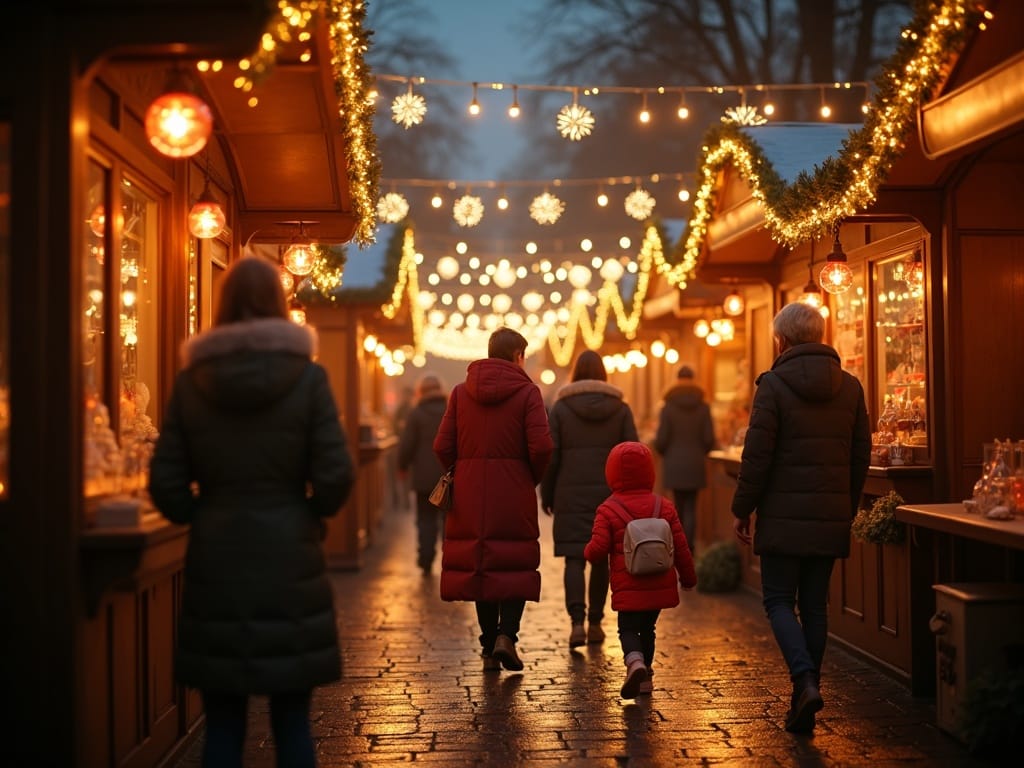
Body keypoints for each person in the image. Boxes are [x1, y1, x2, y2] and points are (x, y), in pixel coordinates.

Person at [148, 256, 354, 768]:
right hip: (290, 559)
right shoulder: (308, 380)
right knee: (292, 721)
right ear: (280, 306)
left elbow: (165, 482)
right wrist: (308, 513)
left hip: (217, 558)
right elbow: (335, 474)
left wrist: (203, 513)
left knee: (222, 722)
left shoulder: (193, 382)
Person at [731, 301, 870, 734]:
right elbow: (860, 454)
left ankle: (804, 680)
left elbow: (757, 455)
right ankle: (803, 699)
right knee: (814, 606)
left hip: (783, 516)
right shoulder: (850, 386)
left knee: (776, 601)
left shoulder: (772, 385)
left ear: (783, 340)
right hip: (828, 514)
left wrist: (742, 508)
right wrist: (843, 505)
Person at [433, 327, 553, 672]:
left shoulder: (460, 393)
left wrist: (463, 470)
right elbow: (542, 446)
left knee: (479, 564)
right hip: (513, 489)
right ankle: (507, 637)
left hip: (469, 492)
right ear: (517, 355)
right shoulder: (528, 393)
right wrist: (529, 475)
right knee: (514, 561)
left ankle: (487, 646)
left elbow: (441, 445)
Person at [541, 349, 638, 649]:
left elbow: (551, 455)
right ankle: (595, 623)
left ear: (575, 373)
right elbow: (633, 454)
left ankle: (576, 624)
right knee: (601, 559)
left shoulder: (560, 409)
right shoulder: (620, 409)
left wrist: (547, 492)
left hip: (569, 493)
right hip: (610, 496)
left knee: (573, 556)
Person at [584, 441, 696, 699]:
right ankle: (646, 678)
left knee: (627, 628)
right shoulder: (664, 506)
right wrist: (688, 578)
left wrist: (587, 552)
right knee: (648, 628)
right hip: (658, 582)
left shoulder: (607, 509)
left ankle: (635, 663)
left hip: (628, 586)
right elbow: (681, 546)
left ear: (610, 473)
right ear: (650, 472)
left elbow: (598, 549)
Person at [654, 364, 716, 554]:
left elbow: (661, 439)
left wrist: (666, 452)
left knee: (678, 508)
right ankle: (689, 548)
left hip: (674, 463)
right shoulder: (703, 407)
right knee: (691, 508)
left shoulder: (668, 407)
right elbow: (709, 439)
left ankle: (678, 548)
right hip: (695, 463)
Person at [398, 374, 449, 575]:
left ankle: (426, 559)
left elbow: (407, 445)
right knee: (449, 521)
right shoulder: (450, 411)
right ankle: (451, 559)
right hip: (448, 478)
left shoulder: (416, 413)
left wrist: (402, 466)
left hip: (423, 478)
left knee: (425, 520)